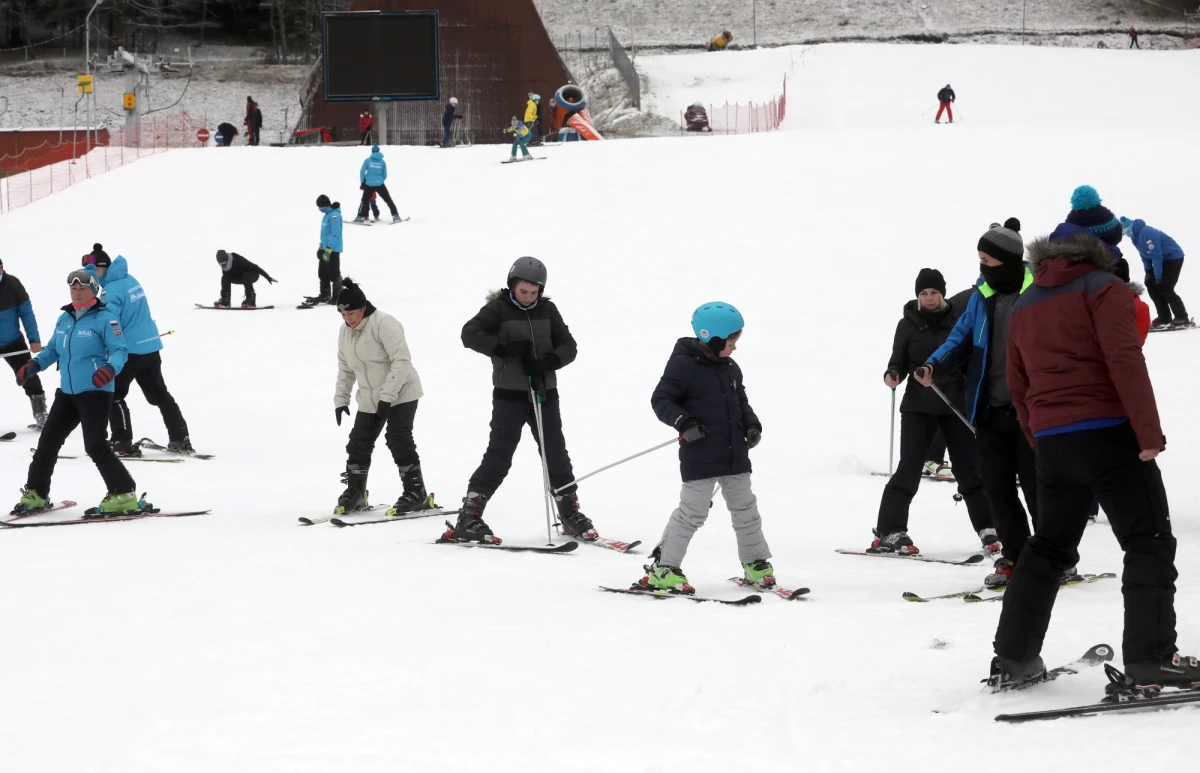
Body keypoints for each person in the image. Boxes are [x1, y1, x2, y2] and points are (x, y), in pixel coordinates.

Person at [989, 219, 1193, 688]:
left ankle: (1013, 657)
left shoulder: (1025, 303)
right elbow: (1124, 359)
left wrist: (1041, 440)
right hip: (1109, 434)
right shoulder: (1105, 289)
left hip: (1055, 442)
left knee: (1048, 548)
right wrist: (1148, 433)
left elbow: (1018, 384)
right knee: (1148, 542)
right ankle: (1151, 656)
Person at [917, 218, 1041, 588]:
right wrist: (933, 363)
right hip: (989, 411)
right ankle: (1015, 559)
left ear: (1007, 259)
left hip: (1031, 413)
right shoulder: (981, 297)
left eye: (987, 260)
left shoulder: (1038, 294)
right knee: (998, 490)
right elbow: (960, 338)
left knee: (1039, 490)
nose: (981, 266)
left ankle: (1056, 559)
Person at [450, 256, 597, 542]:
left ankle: (569, 513)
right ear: (512, 285)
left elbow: (570, 347)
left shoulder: (548, 310)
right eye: (523, 291)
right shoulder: (497, 309)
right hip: (509, 396)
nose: (529, 298)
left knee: (555, 452)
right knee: (500, 454)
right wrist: (503, 349)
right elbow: (469, 334)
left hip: (544, 394)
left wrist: (548, 361)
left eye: (534, 292)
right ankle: (469, 515)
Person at [639, 301, 773, 593]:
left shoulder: (730, 368)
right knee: (692, 513)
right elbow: (661, 400)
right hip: (700, 454)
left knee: (746, 510)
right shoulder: (683, 365)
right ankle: (664, 568)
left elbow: (741, 403)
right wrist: (684, 422)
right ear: (711, 339)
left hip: (735, 455)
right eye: (730, 342)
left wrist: (752, 425)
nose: (734, 348)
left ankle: (756, 563)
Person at [872, 269, 997, 556]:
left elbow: (968, 357)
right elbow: (898, 360)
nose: (929, 298)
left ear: (943, 293)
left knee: (969, 471)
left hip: (954, 406)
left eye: (934, 293)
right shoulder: (907, 324)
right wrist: (892, 374)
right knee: (909, 469)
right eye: (924, 293)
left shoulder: (958, 321)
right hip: (918, 407)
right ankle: (890, 530)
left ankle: (989, 528)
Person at [12, 270, 144, 517]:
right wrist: (34, 365)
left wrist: (109, 369)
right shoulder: (65, 319)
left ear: (94, 290)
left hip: (95, 391)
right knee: (47, 444)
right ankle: (37, 493)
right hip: (67, 393)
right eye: (73, 288)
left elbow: (120, 351)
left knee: (95, 445)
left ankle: (124, 493)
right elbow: (53, 349)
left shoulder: (106, 319)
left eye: (83, 288)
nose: (77, 291)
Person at [332, 278, 432, 517]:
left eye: (351, 313)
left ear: (363, 308)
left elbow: (402, 361)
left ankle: (416, 492)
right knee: (358, 442)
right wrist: (341, 400)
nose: (348, 319)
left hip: (401, 392)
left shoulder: (385, 324)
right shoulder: (346, 332)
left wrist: (388, 395)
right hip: (369, 396)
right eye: (343, 314)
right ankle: (355, 492)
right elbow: (345, 368)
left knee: (398, 437)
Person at [82, 245, 192, 457]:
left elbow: (109, 322)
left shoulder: (111, 291)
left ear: (101, 269)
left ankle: (121, 441)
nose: (92, 280)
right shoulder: (129, 280)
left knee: (113, 396)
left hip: (130, 352)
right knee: (159, 394)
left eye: (93, 273)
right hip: (150, 347)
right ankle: (180, 437)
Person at [0, 258, 47, 429]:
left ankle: (40, 412)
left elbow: (26, 313)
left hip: (13, 341)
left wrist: (34, 339)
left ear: (1, 268)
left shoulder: (13, 284)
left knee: (28, 374)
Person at [1119, 216, 1189, 329]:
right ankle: (1164, 316)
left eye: (1126, 232)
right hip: (1161, 260)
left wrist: (1158, 277)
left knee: (1165, 287)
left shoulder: (1147, 233)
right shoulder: (1135, 237)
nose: (1126, 235)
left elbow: (1156, 256)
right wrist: (1148, 272)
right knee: (1151, 284)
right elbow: (1144, 255)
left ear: (1130, 227)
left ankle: (1182, 317)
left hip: (1173, 257)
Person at [307, 194, 343, 306]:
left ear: (325, 205)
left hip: (333, 249)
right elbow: (324, 235)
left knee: (333, 273)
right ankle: (325, 294)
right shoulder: (327, 215)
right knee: (322, 273)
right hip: (325, 248)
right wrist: (321, 247)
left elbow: (335, 234)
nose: (320, 209)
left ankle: (338, 296)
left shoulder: (334, 216)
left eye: (320, 206)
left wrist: (328, 249)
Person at [354, 145, 401, 224]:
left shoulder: (367, 161)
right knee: (388, 200)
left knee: (364, 200)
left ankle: (360, 217)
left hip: (369, 184)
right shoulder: (382, 162)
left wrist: (363, 181)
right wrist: (380, 180)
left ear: (372, 151)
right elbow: (385, 174)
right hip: (380, 184)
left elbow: (362, 171)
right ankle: (395, 216)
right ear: (379, 151)